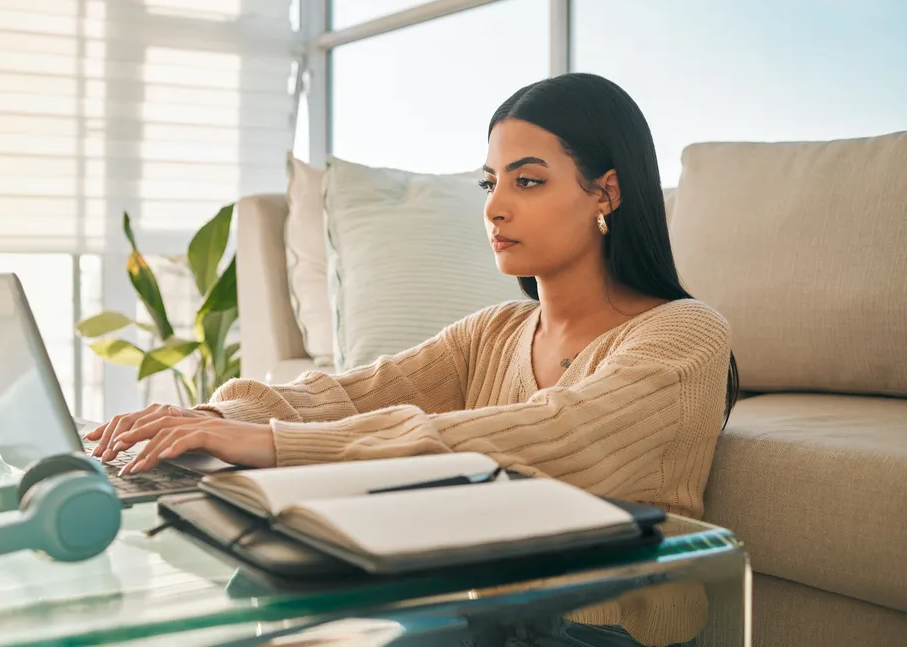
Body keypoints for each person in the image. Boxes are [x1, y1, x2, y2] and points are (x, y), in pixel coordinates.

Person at [87, 71, 738, 646]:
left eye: (529, 180)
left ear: (607, 193)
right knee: (262, 589)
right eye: (491, 182)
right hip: (485, 615)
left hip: (606, 630)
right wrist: (205, 418)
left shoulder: (685, 334)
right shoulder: (495, 331)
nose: (495, 205)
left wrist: (275, 444)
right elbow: (347, 393)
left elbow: (552, 434)